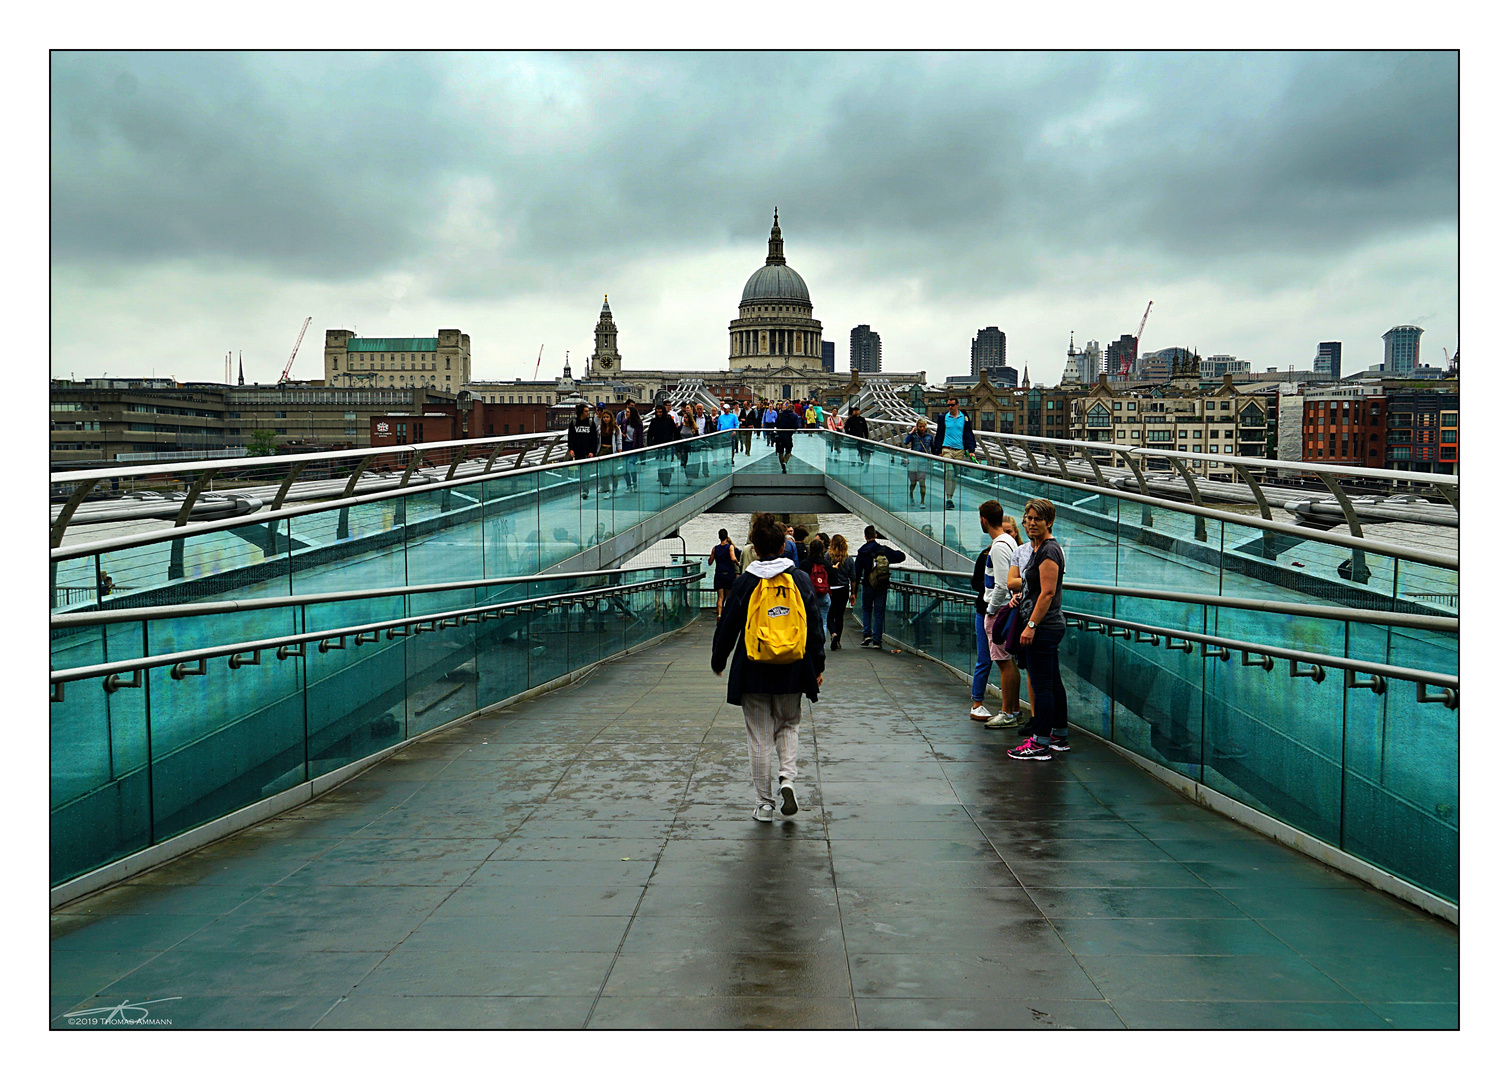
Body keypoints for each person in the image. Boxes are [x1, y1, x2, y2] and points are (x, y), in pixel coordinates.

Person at [711, 512, 826, 821]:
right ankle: (787, 780)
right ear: (783, 545)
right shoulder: (799, 578)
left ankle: (764, 804)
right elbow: (814, 625)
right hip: (793, 667)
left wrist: (719, 659)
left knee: (760, 737)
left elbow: (728, 625)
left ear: (755, 548)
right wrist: (818, 664)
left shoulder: (746, 581)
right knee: (789, 724)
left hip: (754, 669)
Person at [1007, 498, 1069, 760]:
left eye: (1038, 519)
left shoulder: (1048, 551)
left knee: (1042, 684)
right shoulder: (1038, 549)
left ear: (1049, 522)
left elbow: (1048, 593)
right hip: (1046, 626)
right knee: (1052, 682)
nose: (1032, 523)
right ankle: (1058, 735)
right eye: (1028, 518)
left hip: (1043, 627)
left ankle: (1040, 743)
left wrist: (1031, 625)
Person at [977, 500, 1025, 729]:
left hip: (1000, 612)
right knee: (1009, 661)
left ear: (984, 520)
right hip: (1008, 610)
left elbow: (1002, 585)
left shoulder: (997, 546)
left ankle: (1007, 712)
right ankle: (1013, 709)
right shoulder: (1009, 541)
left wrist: (991, 610)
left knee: (1004, 662)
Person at [854, 525, 906, 649]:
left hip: (867, 584)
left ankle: (867, 634)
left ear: (865, 536)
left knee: (866, 609)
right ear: (876, 535)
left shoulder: (861, 552)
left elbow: (856, 573)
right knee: (879, 612)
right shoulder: (883, 550)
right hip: (881, 585)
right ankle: (877, 641)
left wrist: (854, 592)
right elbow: (901, 557)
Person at [930, 396, 977, 510]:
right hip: (947, 449)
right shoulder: (943, 418)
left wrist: (971, 450)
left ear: (957, 405)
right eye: (948, 405)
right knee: (949, 472)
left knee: (955, 475)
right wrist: (938, 451)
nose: (950, 407)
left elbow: (968, 433)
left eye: (952, 405)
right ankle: (949, 498)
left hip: (959, 450)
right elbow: (939, 434)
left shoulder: (964, 418)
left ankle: (950, 496)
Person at [566, 402, 600, 500]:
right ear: (581, 412)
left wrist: (592, 451)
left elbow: (594, 439)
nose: (588, 413)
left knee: (586, 472)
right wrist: (571, 449)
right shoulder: (573, 423)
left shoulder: (590, 423)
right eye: (586, 411)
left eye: (588, 411)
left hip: (588, 452)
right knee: (581, 472)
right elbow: (570, 437)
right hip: (578, 452)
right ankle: (583, 489)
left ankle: (585, 490)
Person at [826, 534, 855, 650]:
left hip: (830, 588)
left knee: (829, 614)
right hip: (843, 588)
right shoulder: (848, 558)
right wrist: (853, 593)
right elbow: (853, 578)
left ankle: (833, 633)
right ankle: (838, 641)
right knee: (839, 615)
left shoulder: (827, 557)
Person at [801, 537, 832, 640]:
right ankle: (821, 644)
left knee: (808, 621)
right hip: (824, 596)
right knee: (823, 621)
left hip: (809, 596)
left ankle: (810, 644)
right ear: (822, 549)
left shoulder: (805, 564)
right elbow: (833, 579)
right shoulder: (826, 563)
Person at [709, 527, 741, 620]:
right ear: (727, 537)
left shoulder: (715, 548)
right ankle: (727, 615)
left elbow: (710, 562)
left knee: (720, 597)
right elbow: (733, 558)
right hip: (728, 574)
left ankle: (719, 615)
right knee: (728, 597)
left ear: (719, 537)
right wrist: (738, 563)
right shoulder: (730, 547)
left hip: (719, 574)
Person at [646, 402, 679, 491]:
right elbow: (650, 434)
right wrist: (650, 445)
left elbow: (675, 432)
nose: (659, 414)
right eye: (657, 412)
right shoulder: (654, 421)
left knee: (667, 466)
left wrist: (676, 444)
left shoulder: (669, 420)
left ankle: (666, 485)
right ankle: (662, 483)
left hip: (668, 447)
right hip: (658, 448)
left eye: (660, 412)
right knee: (660, 467)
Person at [902, 417, 932, 506]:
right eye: (920, 427)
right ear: (917, 427)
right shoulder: (914, 436)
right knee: (913, 482)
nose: (922, 428)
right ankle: (911, 495)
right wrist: (911, 432)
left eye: (923, 426)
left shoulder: (929, 437)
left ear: (926, 426)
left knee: (922, 482)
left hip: (923, 462)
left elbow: (933, 448)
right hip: (913, 461)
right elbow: (905, 442)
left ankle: (922, 501)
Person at [597, 408, 623, 495]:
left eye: (607, 417)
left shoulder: (616, 429)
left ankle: (615, 487)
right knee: (603, 471)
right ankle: (605, 487)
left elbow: (619, 441)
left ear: (611, 418)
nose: (605, 419)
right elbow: (597, 440)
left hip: (612, 451)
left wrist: (619, 453)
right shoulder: (600, 428)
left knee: (613, 471)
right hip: (602, 450)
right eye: (604, 417)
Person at [774, 400, 800, 472]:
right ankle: (785, 462)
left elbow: (776, 424)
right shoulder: (795, 416)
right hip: (788, 435)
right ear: (793, 409)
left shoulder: (781, 414)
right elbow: (796, 426)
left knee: (780, 452)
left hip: (780, 435)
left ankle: (782, 465)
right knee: (788, 451)